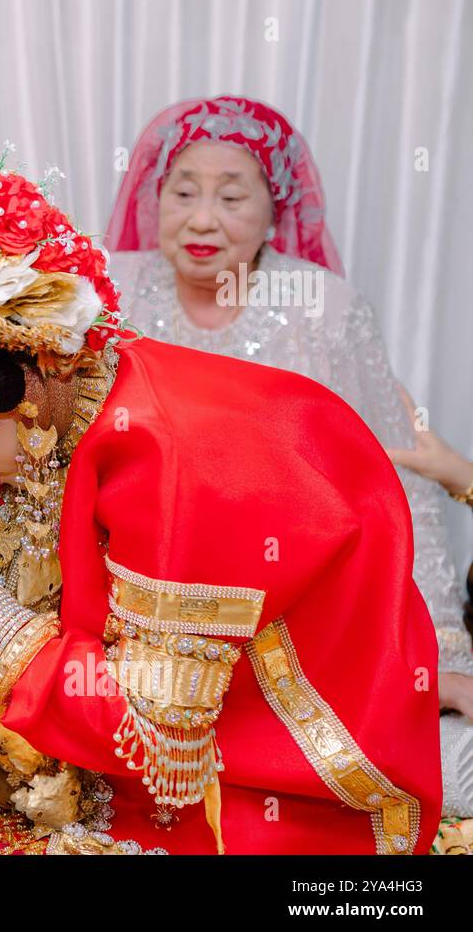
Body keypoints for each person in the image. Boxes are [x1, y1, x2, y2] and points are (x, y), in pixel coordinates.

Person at [0, 156, 442, 853]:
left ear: (11, 398)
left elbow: (161, 749)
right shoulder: (66, 414)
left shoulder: (173, 459)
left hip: (272, 789)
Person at [106, 95, 473, 816]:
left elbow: (394, 485)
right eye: (183, 191)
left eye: (232, 195)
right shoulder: (114, 290)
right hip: (143, 599)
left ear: (276, 211)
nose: (203, 217)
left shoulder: (324, 308)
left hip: (295, 602)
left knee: (427, 780)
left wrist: (441, 657)